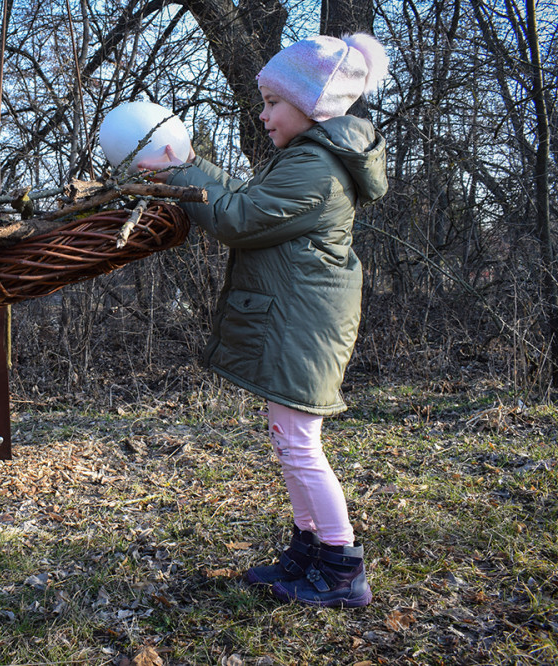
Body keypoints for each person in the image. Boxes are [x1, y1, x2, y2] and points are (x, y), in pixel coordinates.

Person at [138, 33, 389, 607]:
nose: (263, 113)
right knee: (288, 440)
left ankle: (342, 562)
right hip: (299, 322)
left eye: (274, 101)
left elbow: (240, 217)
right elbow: (246, 199)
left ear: (312, 105)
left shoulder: (316, 169)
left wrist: (182, 176)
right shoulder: (307, 159)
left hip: (305, 328)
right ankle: (309, 549)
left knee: (300, 444)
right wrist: (194, 165)